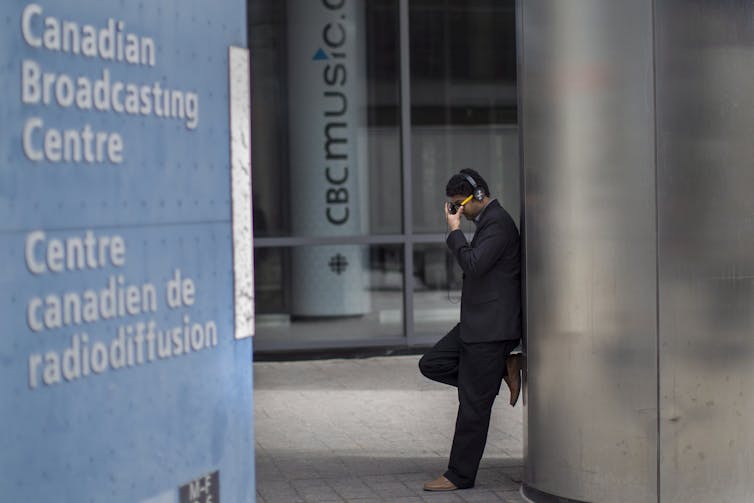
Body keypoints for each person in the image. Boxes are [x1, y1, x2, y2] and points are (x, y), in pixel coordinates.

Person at [419, 168, 523, 492]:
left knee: (473, 406)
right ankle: (501, 370)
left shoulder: (499, 224)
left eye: (459, 205)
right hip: (477, 323)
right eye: (453, 208)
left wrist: (453, 233)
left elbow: (474, 264)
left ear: (478, 196)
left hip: (491, 329)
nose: (457, 213)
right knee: (432, 363)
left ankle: (459, 475)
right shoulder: (486, 222)